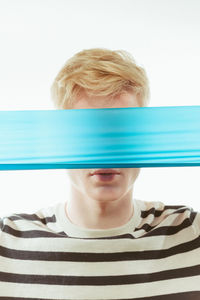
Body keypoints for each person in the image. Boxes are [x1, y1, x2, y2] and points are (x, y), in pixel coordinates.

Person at [0, 48, 199, 299]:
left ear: (144, 138)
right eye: (87, 131)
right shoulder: (7, 243)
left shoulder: (190, 232)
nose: (106, 152)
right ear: (60, 140)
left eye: (122, 131)